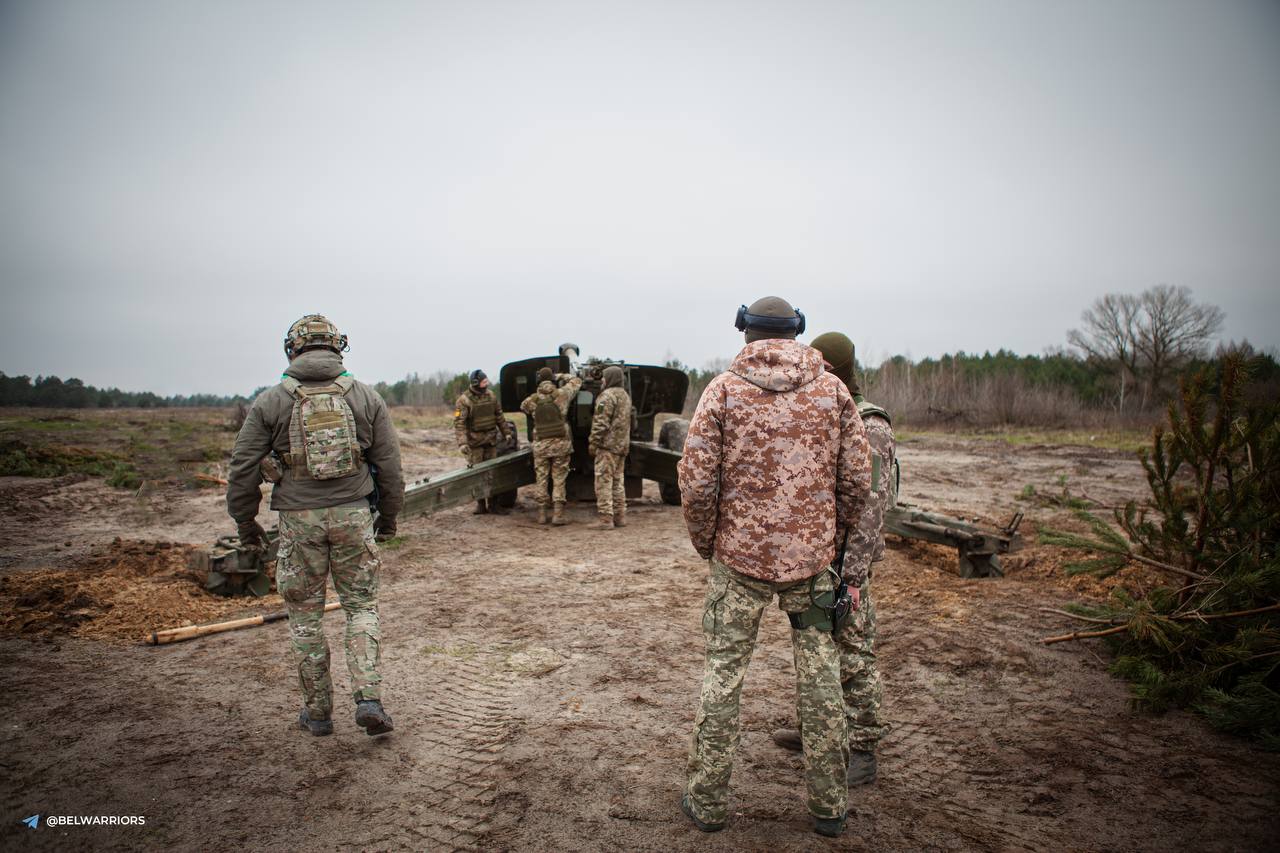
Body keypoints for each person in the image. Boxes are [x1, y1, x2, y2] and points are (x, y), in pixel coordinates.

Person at [677, 297, 872, 837]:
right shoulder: (833, 391)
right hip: (811, 568)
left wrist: (708, 544)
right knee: (821, 680)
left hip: (738, 564)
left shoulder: (722, 391)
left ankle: (708, 801)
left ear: (747, 333)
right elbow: (858, 480)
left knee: (723, 677)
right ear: (796, 332)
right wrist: (830, 540)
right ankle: (830, 807)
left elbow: (695, 484)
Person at [226, 314, 404, 738]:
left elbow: (242, 469)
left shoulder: (271, 401)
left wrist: (245, 522)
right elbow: (391, 468)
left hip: (297, 522)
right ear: (338, 346)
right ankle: (369, 699)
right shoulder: (365, 397)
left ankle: (318, 713)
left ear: (292, 348)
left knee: (305, 615)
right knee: (361, 607)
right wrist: (390, 517)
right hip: (353, 515)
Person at [771, 331, 893, 786]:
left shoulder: (871, 427)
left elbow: (871, 509)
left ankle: (862, 747)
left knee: (853, 649)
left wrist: (854, 576)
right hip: (819, 556)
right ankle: (816, 729)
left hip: (847, 560)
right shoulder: (829, 409)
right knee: (815, 645)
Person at [519, 366, 583, 525]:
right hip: (561, 444)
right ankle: (558, 515)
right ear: (553, 379)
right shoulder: (562, 394)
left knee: (541, 479)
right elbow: (577, 381)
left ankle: (541, 514)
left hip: (541, 445)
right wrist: (562, 375)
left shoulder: (531, 400)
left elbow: (523, 407)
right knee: (559, 479)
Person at [454, 368, 516, 514]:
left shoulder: (491, 396)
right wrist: (462, 443)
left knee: (492, 473)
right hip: (474, 444)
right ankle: (481, 505)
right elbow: (459, 423)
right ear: (476, 383)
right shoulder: (464, 400)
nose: (486, 383)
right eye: (484, 381)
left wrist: (506, 432)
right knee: (477, 474)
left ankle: (494, 505)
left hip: (491, 441)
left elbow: (499, 416)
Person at [587, 365, 632, 529]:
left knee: (603, 481)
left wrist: (593, 442)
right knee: (618, 482)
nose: (602, 381)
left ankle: (606, 519)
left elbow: (600, 423)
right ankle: (620, 517)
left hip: (607, 447)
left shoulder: (606, 396)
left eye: (605, 378)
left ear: (611, 378)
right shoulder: (625, 396)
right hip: (621, 447)